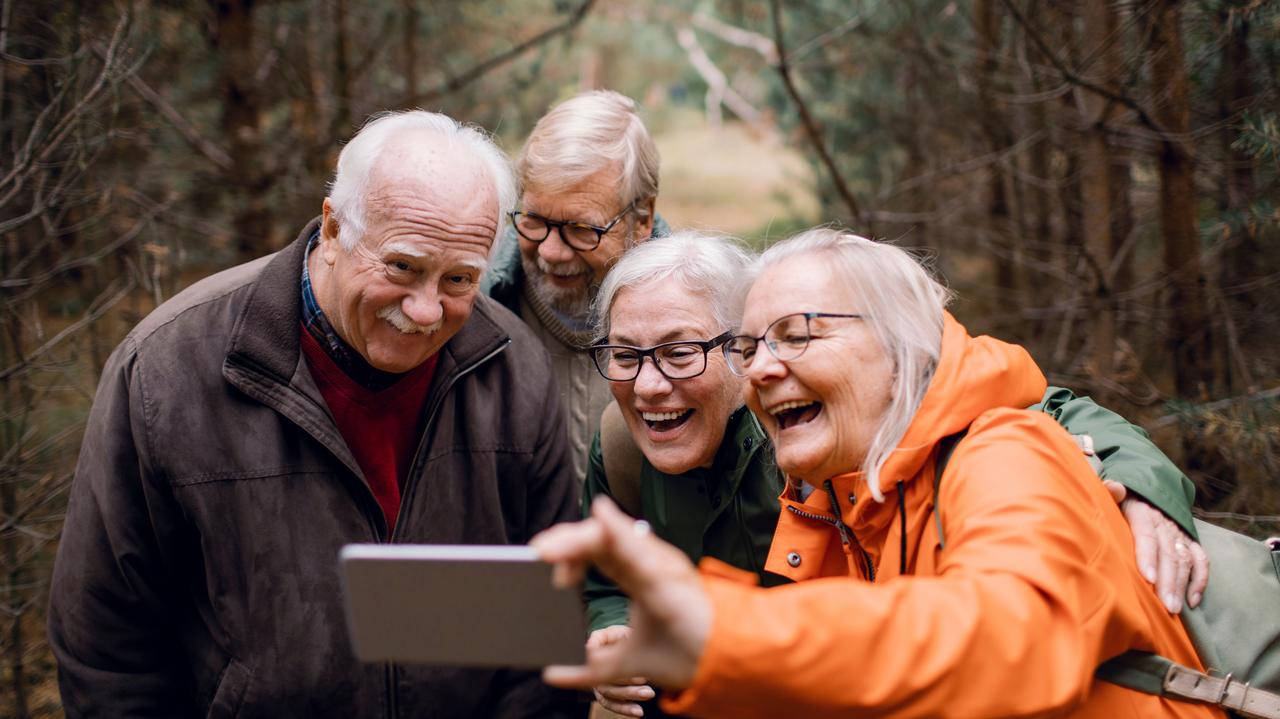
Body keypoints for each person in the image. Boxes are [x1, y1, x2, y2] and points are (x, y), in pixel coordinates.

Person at [537, 229, 1222, 718]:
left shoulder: (1007, 454)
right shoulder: (839, 498)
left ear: (900, 346)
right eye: (752, 345)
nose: (763, 367)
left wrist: (722, 633)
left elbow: (1010, 637)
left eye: (798, 333)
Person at [48, 111, 581, 717]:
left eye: (459, 279)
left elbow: (547, 623)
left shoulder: (513, 369)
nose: (427, 310)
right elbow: (107, 646)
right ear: (333, 229)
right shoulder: (166, 371)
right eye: (402, 267)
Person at [483, 90, 669, 480]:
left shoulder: (706, 318)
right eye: (533, 221)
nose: (551, 252)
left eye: (581, 229)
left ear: (643, 217)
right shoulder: (473, 306)